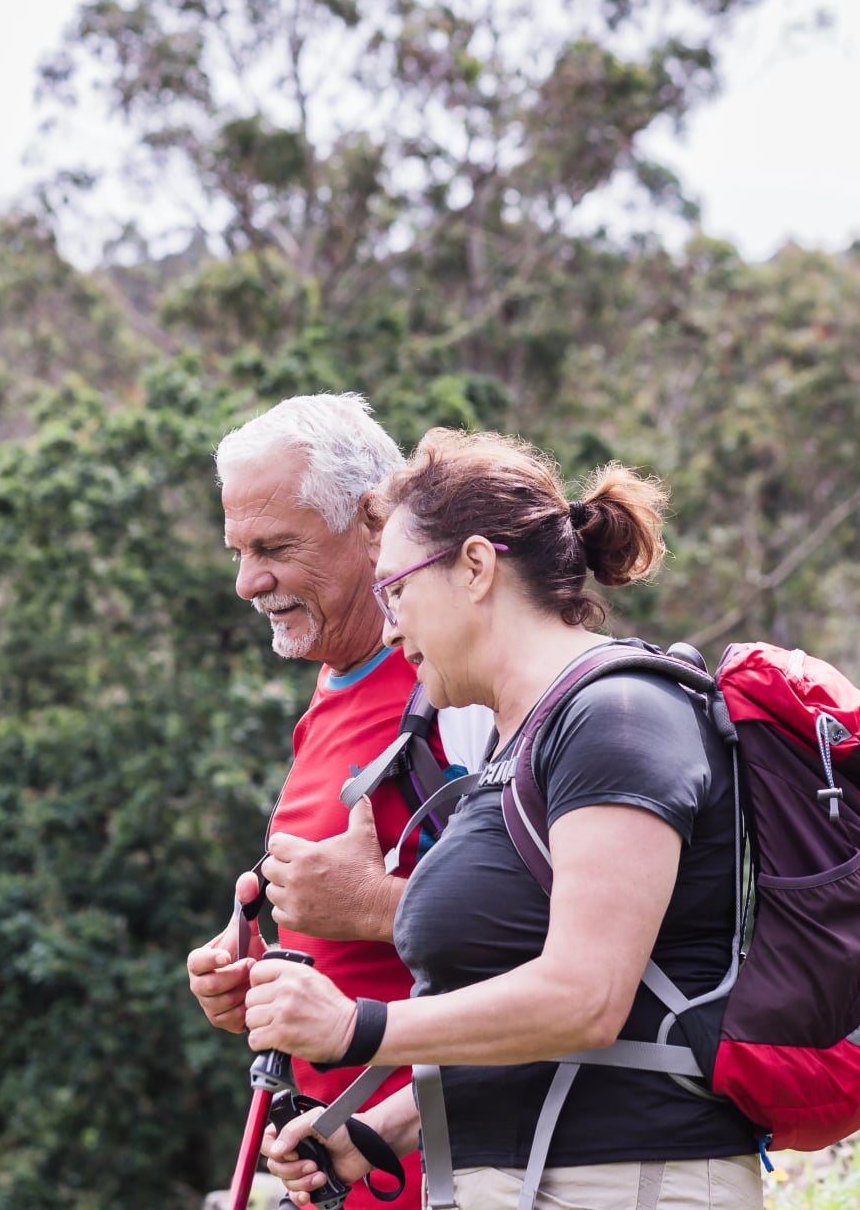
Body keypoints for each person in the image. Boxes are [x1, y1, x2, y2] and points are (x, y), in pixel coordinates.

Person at [244, 428, 764, 1210]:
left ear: (476, 567)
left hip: (630, 1183)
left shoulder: (619, 717)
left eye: (396, 592)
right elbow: (530, 1027)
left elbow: (587, 999)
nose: (389, 627)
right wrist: (372, 1130)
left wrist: (359, 1026)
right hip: (525, 1180)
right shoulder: (512, 745)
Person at [187, 395, 490, 1210]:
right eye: (239, 551)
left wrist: (368, 906)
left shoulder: (458, 689)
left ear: (371, 522)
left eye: (274, 548)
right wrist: (267, 966)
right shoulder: (333, 682)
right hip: (339, 1173)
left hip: (450, 1172)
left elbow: (564, 942)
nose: (248, 582)